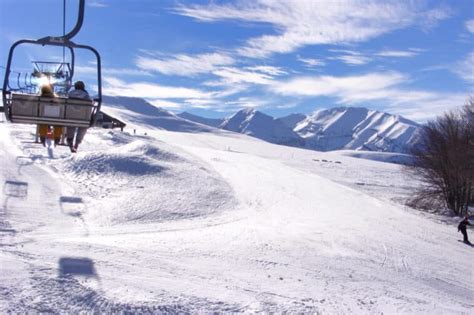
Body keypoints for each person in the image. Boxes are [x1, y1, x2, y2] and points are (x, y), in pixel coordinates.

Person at [66, 81, 91, 152]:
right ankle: (77, 142)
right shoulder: (86, 95)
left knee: (71, 126)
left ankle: (70, 140)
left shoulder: (70, 93)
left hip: (70, 115)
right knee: (83, 127)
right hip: (83, 116)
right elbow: (89, 104)